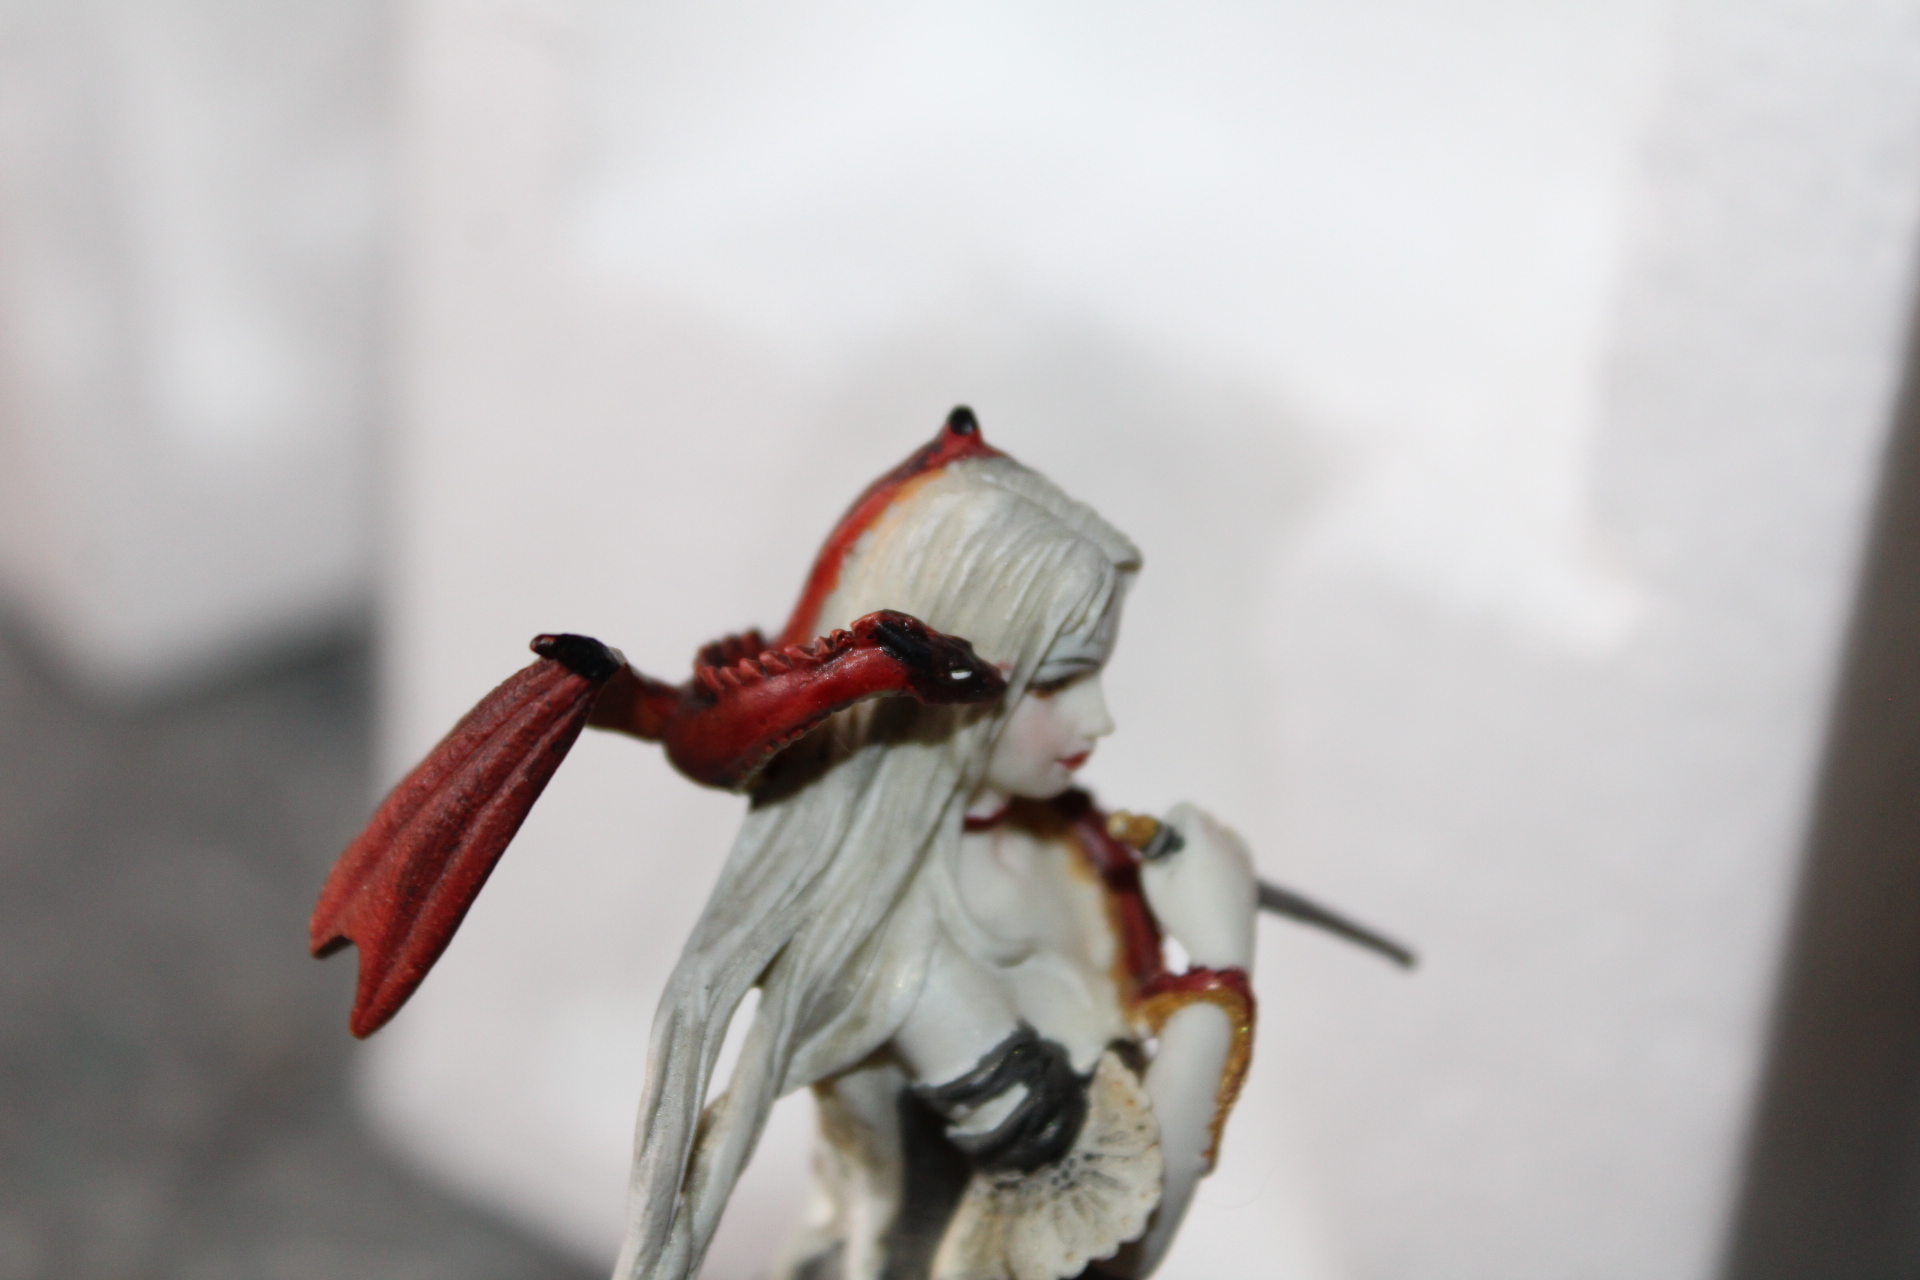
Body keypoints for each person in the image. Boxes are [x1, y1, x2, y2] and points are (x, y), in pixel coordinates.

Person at [614, 437, 1259, 1280]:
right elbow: (1112, 1256)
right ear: (952, 686)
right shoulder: (904, 953)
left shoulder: (1061, 838)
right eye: (1056, 683)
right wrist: (1218, 968)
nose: (1100, 721)